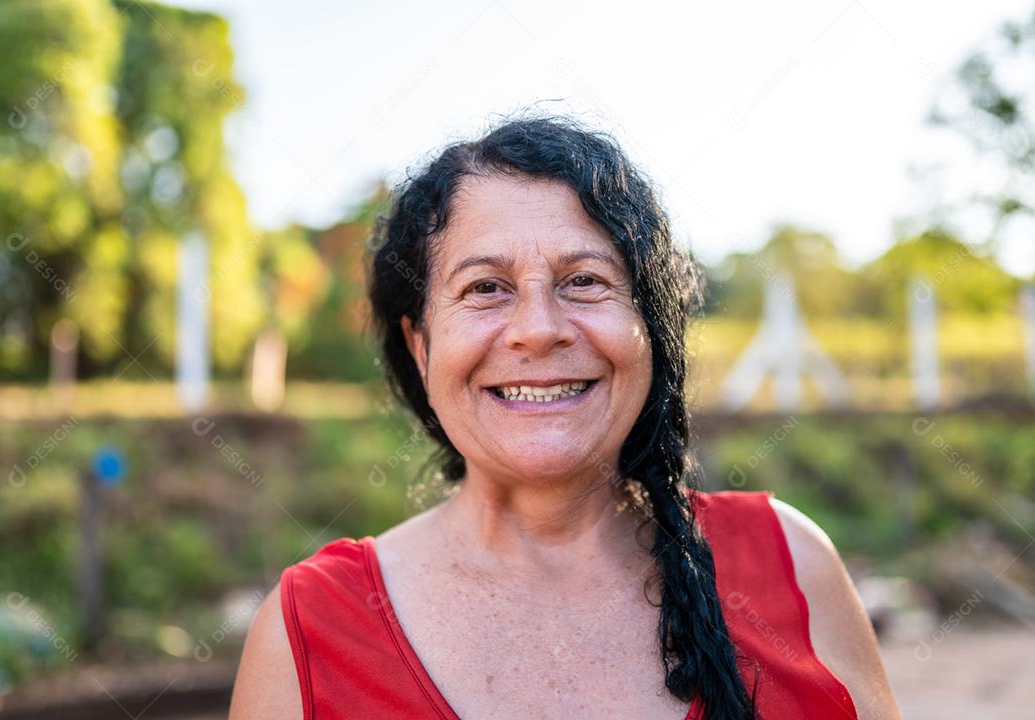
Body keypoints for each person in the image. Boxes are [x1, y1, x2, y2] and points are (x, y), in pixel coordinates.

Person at [229, 115, 901, 719]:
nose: (539, 330)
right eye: (485, 288)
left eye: (584, 281)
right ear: (420, 344)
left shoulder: (793, 566)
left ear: (649, 325)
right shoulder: (307, 634)